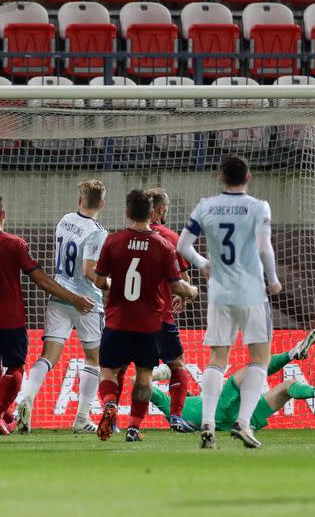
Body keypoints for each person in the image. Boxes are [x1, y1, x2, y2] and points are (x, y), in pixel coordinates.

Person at [0, 194, 95, 435]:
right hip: (9, 318)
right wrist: (73, 298)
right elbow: (40, 279)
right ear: (4, 214)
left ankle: (4, 416)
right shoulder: (14, 243)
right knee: (15, 367)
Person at [178, 154, 282, 450]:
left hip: (219, 293)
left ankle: (208, 423)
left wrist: (201, 263)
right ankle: (243, 423)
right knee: (259, 359)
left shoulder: (205, 206)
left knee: (216, 360)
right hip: (251, 292)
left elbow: (182, 245)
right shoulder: (258, 207)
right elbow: (264, 247)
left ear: (220, 178)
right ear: (248, 178)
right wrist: (272, 280)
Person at [93, 190, 199, 443]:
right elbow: (178, 285)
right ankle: (135, 427)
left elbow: (99, 281)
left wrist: (114, 284)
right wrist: (191, 292)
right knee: (145, 376)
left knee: (109, 370)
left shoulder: (113, 241)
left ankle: (110, 405)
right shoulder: (165, 244)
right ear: (153, 211)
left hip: (117, 320)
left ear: (127, 212)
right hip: (151, 323)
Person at [17, 179, 109, 435]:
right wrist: (111, 283)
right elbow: (89, 271)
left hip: (59, 297)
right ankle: (81, 418)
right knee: (94, 359)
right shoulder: (98, 232)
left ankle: (27, 398)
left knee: (48, 357)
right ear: (101, 203)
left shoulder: (64, 220)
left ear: (80, 200)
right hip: (87, 303)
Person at [147, 330, 315, 432]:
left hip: (239, 416)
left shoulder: (188, 402)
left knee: (286, 387)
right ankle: (292, 353)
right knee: (252, 369)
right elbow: (137, 383)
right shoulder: (170, 405)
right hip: (220, 412)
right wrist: (158, 373)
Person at [143, 187, 194, 433]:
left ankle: (122, 419)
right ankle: (175, 417)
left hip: (126, 317)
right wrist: (185, 297)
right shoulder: (171, 238)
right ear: (161, 210)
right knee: (177, 366)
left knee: (118, 369)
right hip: (160, 315)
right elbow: (183, 280)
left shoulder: (125, 236)